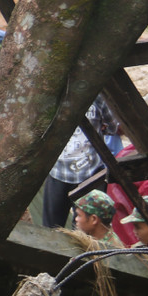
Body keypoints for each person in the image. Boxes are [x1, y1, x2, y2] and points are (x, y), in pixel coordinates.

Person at [43, 97, 112, 229]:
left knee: (51, 229)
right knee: (85, 231)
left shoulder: (57, 95)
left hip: (59, 170)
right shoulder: (99, 98)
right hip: (90, 173)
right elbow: (112, 127)